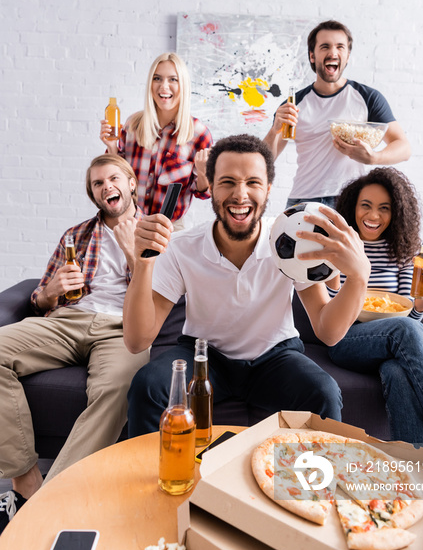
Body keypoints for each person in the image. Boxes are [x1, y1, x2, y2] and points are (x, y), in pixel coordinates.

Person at [123, 134, 371, 438]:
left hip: (275, 357)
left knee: (324, 392)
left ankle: (314, 484)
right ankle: (145, 481)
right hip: (204, 356)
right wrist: (143, 263)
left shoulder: (293, 242)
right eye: (227, 182)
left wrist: (359, 276)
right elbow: (137, 341)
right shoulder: (182, 247)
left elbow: (328, 332)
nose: (240, 195)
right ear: (211, 187)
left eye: (252, 183)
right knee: (147, 386)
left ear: (267, 190)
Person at [0, 155, 150, 534]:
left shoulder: (157, 231)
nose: (106, 187)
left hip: (121, 328)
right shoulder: (75, 235)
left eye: (113, 178)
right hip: (68, 321)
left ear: (131, 183)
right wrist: (49, 293)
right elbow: (39, 298)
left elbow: (163, 295)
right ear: (94, 193)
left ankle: (55, 496)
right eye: (98, 183)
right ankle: (25, 482)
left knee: (118, 387)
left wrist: (134, 252)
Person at [328, 167, 423, 482]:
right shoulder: (339, 245)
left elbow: (409, 317)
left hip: (393, 341)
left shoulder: (403, 251)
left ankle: (414, 478)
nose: (373, 214)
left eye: (384, 207)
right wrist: (336, 273)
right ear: (353, 207)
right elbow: (331, 313)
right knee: (406, 333)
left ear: (396, 213)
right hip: (346, 340)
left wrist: (422, 301)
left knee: (398, 371)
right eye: (366, 205)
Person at [263, 20, 411, 209]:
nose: (333, 53)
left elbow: (404, 147)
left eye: (340, 47)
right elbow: (263, 161)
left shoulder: (368, 97)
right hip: (302, 201)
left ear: (347, 56)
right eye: (325, 47)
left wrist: (373, 157)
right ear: (312, 56)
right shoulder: (293, 104)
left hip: (350, 201)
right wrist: (275, 130)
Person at [100, 52, 213, 226]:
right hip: (129, 223)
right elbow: (116, 177)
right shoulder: (133, 125)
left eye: (173, 80)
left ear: (183, 85)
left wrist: (204, 172)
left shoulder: (199, 134)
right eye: (157, 78)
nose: (163, 87)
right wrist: (111, 146)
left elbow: (203, 193)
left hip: (169, 230)